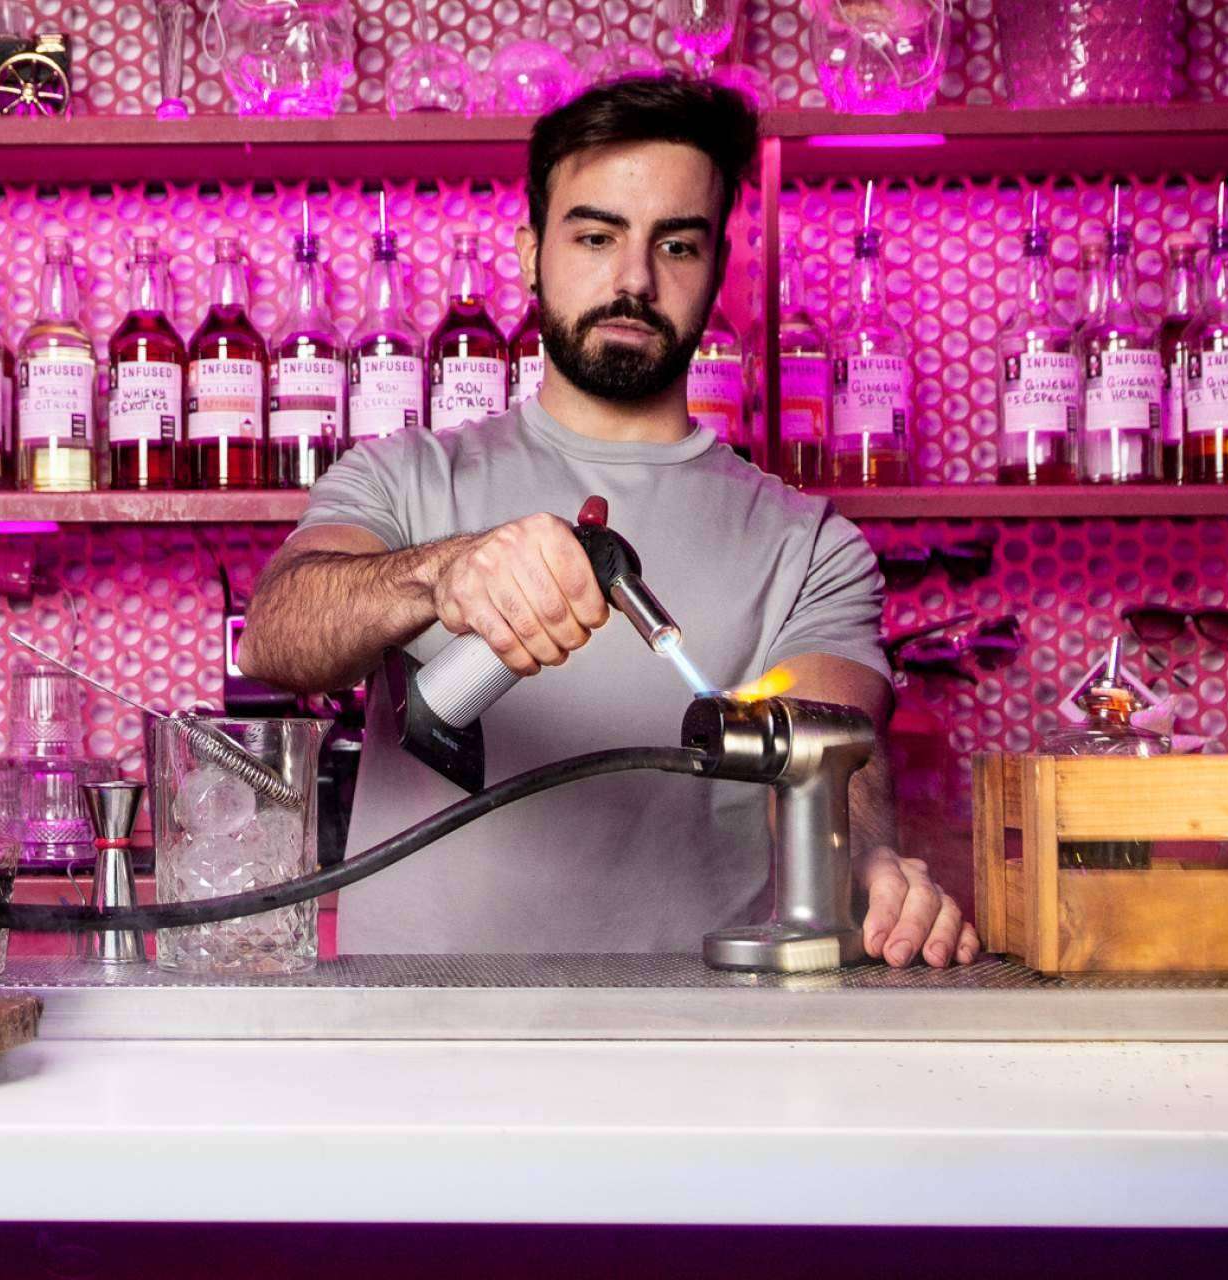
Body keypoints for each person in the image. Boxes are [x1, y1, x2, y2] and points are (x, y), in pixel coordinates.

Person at [238, 77, 978, 968]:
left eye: (676, 244)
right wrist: (440, 574)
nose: (634, 280)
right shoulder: (404, 478)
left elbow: (834, 764)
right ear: (530, 254)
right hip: (417, 1027)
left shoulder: (809, 545)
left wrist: (870, 870)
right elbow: (275, 635)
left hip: (693, 1032)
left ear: (718, 269)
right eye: (596, 236)